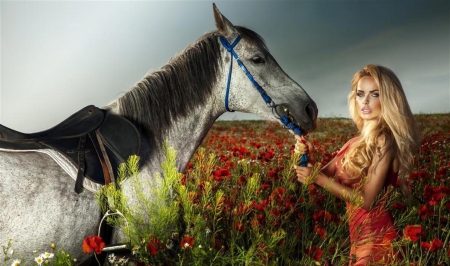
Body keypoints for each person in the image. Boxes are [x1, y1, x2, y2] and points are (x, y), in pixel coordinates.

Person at [294, 64, 420, 265]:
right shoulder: (353, 143)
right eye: (360, 94)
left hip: (377, 241)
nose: (366, 101)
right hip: (359, 240)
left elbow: (368, 201)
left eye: (375, 94)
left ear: (388, 99)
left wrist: (317, 177)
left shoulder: (384, 140)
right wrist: (309, 157)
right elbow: (318, 178)